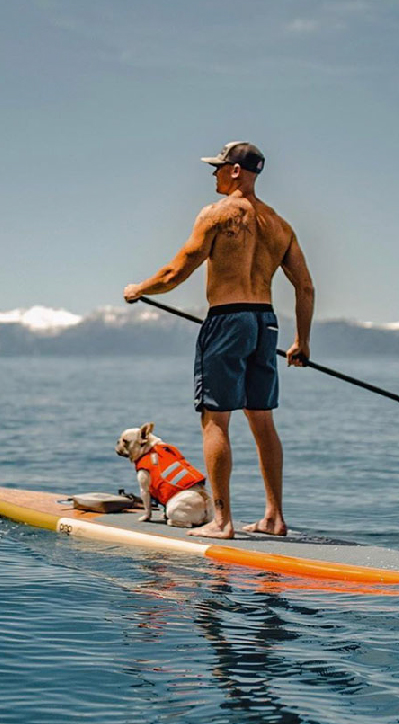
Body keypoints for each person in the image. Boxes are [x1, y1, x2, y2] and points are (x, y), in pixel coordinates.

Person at [123, 141, 314, 539]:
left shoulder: (216, 214)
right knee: (263, 420)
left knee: (215, 420)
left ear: (235, 171)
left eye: (218, 166)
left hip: (228, 321)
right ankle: (274, 518)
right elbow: (305, 287)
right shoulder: (279, 225)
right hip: (266, 323)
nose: (213, 173)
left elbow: (176, 271)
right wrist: (302, 341)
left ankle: (222, 521)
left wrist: (139, 289)